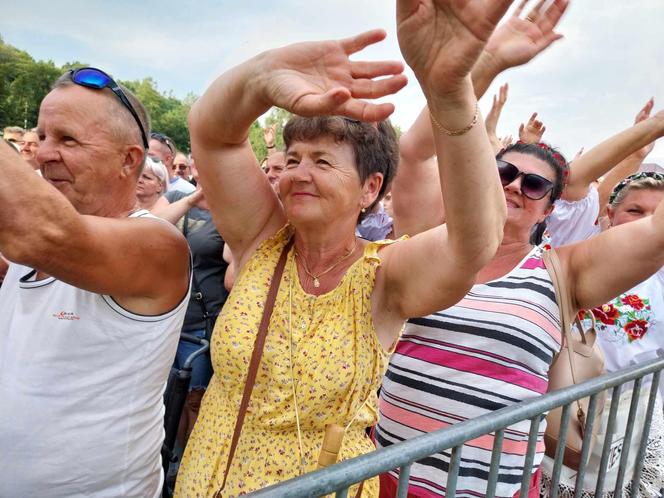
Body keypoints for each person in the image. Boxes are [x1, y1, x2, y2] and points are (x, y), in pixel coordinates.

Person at [174, 0, 515, 494]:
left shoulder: (385, 277)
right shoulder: (261, 239)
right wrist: (262, 73)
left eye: (322, 162)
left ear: (370, 188)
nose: (299, 174)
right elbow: (212, 131)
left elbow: (474, 243)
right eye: (292, 159)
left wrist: (450, 92)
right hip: (206, 481)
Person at [0, 67, 191, 498]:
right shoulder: (26, 252)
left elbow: (37, 230)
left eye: (68, 140)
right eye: (42, 136)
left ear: (128, 160)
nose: (44, 153)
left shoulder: (158, 245)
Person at [540, 176, 664, 497]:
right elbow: (577, 184)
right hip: (569, 411)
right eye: (635, 210)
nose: (645, 222)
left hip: (633, 414)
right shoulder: (579, 254)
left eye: (656, 214)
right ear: (608, 213)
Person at [152, 159, 229, 446]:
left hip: (202, 325)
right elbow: (148, 229)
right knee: (159, 395)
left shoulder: (234, 209)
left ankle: (182, 467)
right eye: (195, 155)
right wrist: (192, 201)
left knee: (193, 400)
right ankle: (160, 456)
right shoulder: (174, 198)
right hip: (165, 318)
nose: (199, 161)